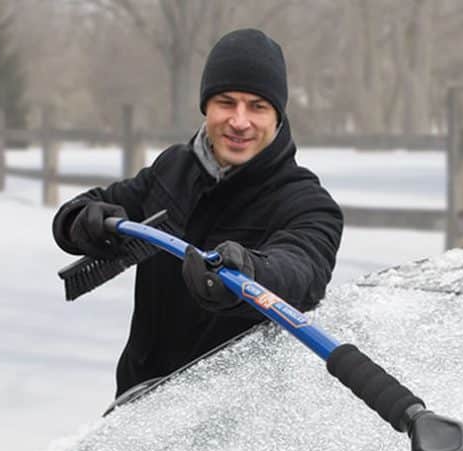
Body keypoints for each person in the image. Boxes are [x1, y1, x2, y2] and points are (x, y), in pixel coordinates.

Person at [52, 28, 343, 399]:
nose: (240, 121)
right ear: (206, 106)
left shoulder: (307, 203)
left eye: (257, 106)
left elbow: (301, 269)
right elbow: (99, 203)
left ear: (278, 116)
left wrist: (250, 271)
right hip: (138, 401)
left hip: (229, 420)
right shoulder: (174, 167)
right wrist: (79, 220)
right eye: (226, 102)